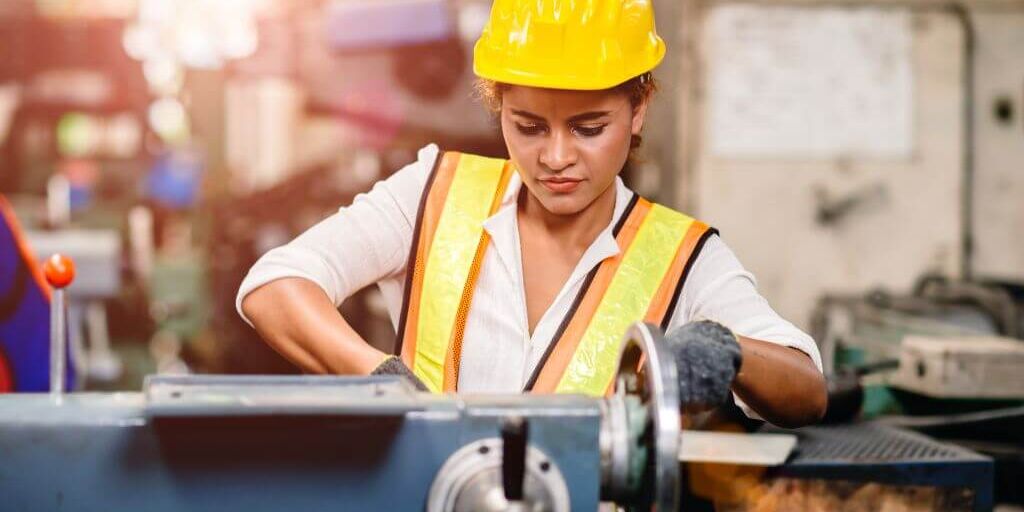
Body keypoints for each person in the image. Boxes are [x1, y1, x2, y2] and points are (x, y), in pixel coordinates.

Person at [237, 0, 826, 428]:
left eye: (589, 128)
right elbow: (275, 285)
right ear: (497, 104)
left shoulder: (684, 257)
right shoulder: (431, 194)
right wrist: (377, 379)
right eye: (528, 126)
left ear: (639, 107)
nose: (556, 158)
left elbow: (805, 389)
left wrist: (730, 352)